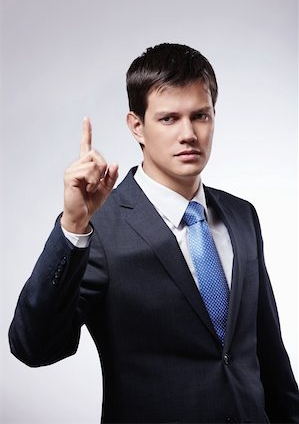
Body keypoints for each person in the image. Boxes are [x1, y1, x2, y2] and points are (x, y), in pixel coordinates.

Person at [9, 43, 299, 423]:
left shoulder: (242, 215)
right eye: (168, 119)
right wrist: (73, 226)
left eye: (200, 116)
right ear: (136, 126)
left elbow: (270, 357)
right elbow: (34, 347)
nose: (189, 134)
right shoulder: (102, 227)